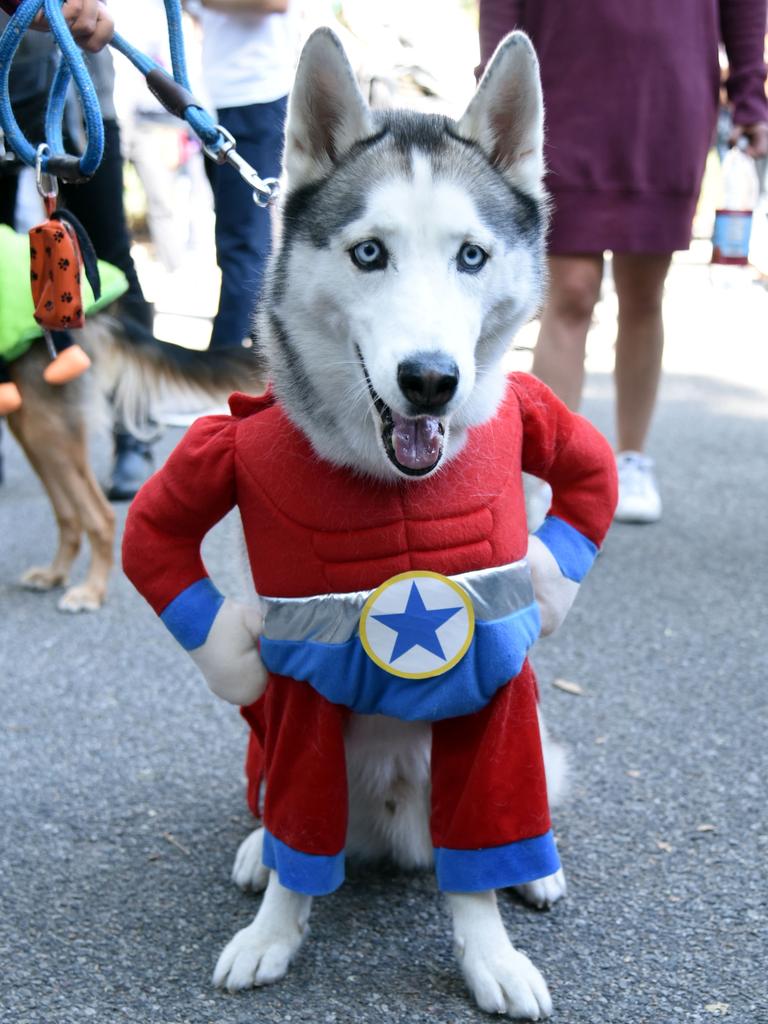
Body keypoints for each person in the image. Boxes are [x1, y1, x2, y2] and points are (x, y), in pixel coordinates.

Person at [479, 0, 768, 523]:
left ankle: (631, 459)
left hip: (667, 94)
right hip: (561, 83)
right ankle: (549, 469)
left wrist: (750, 93)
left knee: (643, 291)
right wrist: (492, 80)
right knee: (569, 291)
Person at [187, 0, 297, 349]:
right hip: (214, 101)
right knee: (239, 245)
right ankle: (246, 364)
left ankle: (223, 372)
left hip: (255, 95)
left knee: (243, 248)